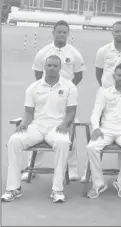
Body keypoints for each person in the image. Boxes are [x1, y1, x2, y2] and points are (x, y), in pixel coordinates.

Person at [1, 55, 77, 203]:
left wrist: (64, 124)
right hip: (36, 126)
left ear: (60, 68)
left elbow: (71, 111)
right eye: (49, 65)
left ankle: (57, 189)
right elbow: (29, 112)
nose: (52, 68)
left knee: (63, 143)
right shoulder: (33, 87)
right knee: (14, 141)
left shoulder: (69, 87)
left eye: (55, 66)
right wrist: (24, 123)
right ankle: (13, 188)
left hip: (56, 127)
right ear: (44, 67)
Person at [82, 21, 121, 183]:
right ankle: (91, 173)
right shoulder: (103, 51)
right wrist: (107, 88)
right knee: (98, 132)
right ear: (112, 32)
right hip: (106, 93)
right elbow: (98, 72)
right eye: (116, 31)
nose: (119, 34)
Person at [25, 20, 85, 182]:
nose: (61, 34)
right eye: (59, 32)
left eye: (64, 32)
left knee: (69, 131)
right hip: (45, 96)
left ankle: (71, 169)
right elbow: (38, 74)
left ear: (68, 34)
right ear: (53, 33)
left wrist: (67, 90)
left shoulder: (74, 53)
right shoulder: (43, 53)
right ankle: (33, 167)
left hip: (66, 99)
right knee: (37, 127)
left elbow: (78, 75)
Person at [85, 63, 121, 199]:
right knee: (91, 147)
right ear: (114, 76)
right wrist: (96, 128)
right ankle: (98, 184)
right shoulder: (104, 92)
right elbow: (95, 113)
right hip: (106, 130)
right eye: (119, 75)